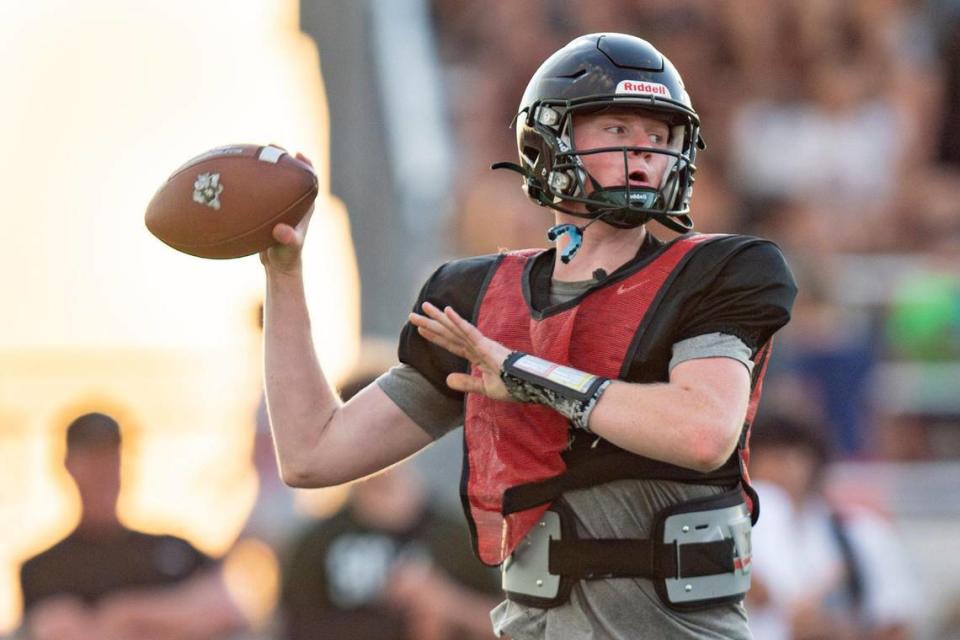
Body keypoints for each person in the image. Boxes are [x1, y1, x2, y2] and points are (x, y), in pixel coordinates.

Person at [261, 33, 797, 639]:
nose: (645, 153)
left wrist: (522, 374)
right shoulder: (477, 299)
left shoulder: (718, 272)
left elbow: (702, 432)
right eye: (618, 130)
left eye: (660, 136)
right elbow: (313, 454)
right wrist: (284, 272)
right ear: (552, 140)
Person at [19, 411, 248, 640]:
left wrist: (127, 614)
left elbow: (228, 613)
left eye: (111, 456)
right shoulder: (43, 569)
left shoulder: (172, 549)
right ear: (68, 466)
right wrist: (178, 615)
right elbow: (57, 630)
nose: (103, 470)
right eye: (92, 458)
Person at [746, 412, 921, 640]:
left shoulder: (861, 534)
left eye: (789, 457)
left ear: (814, 463)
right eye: (766, 457)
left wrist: (830, 630)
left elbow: (896, 622)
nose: (779, 469)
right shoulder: (727, 536)